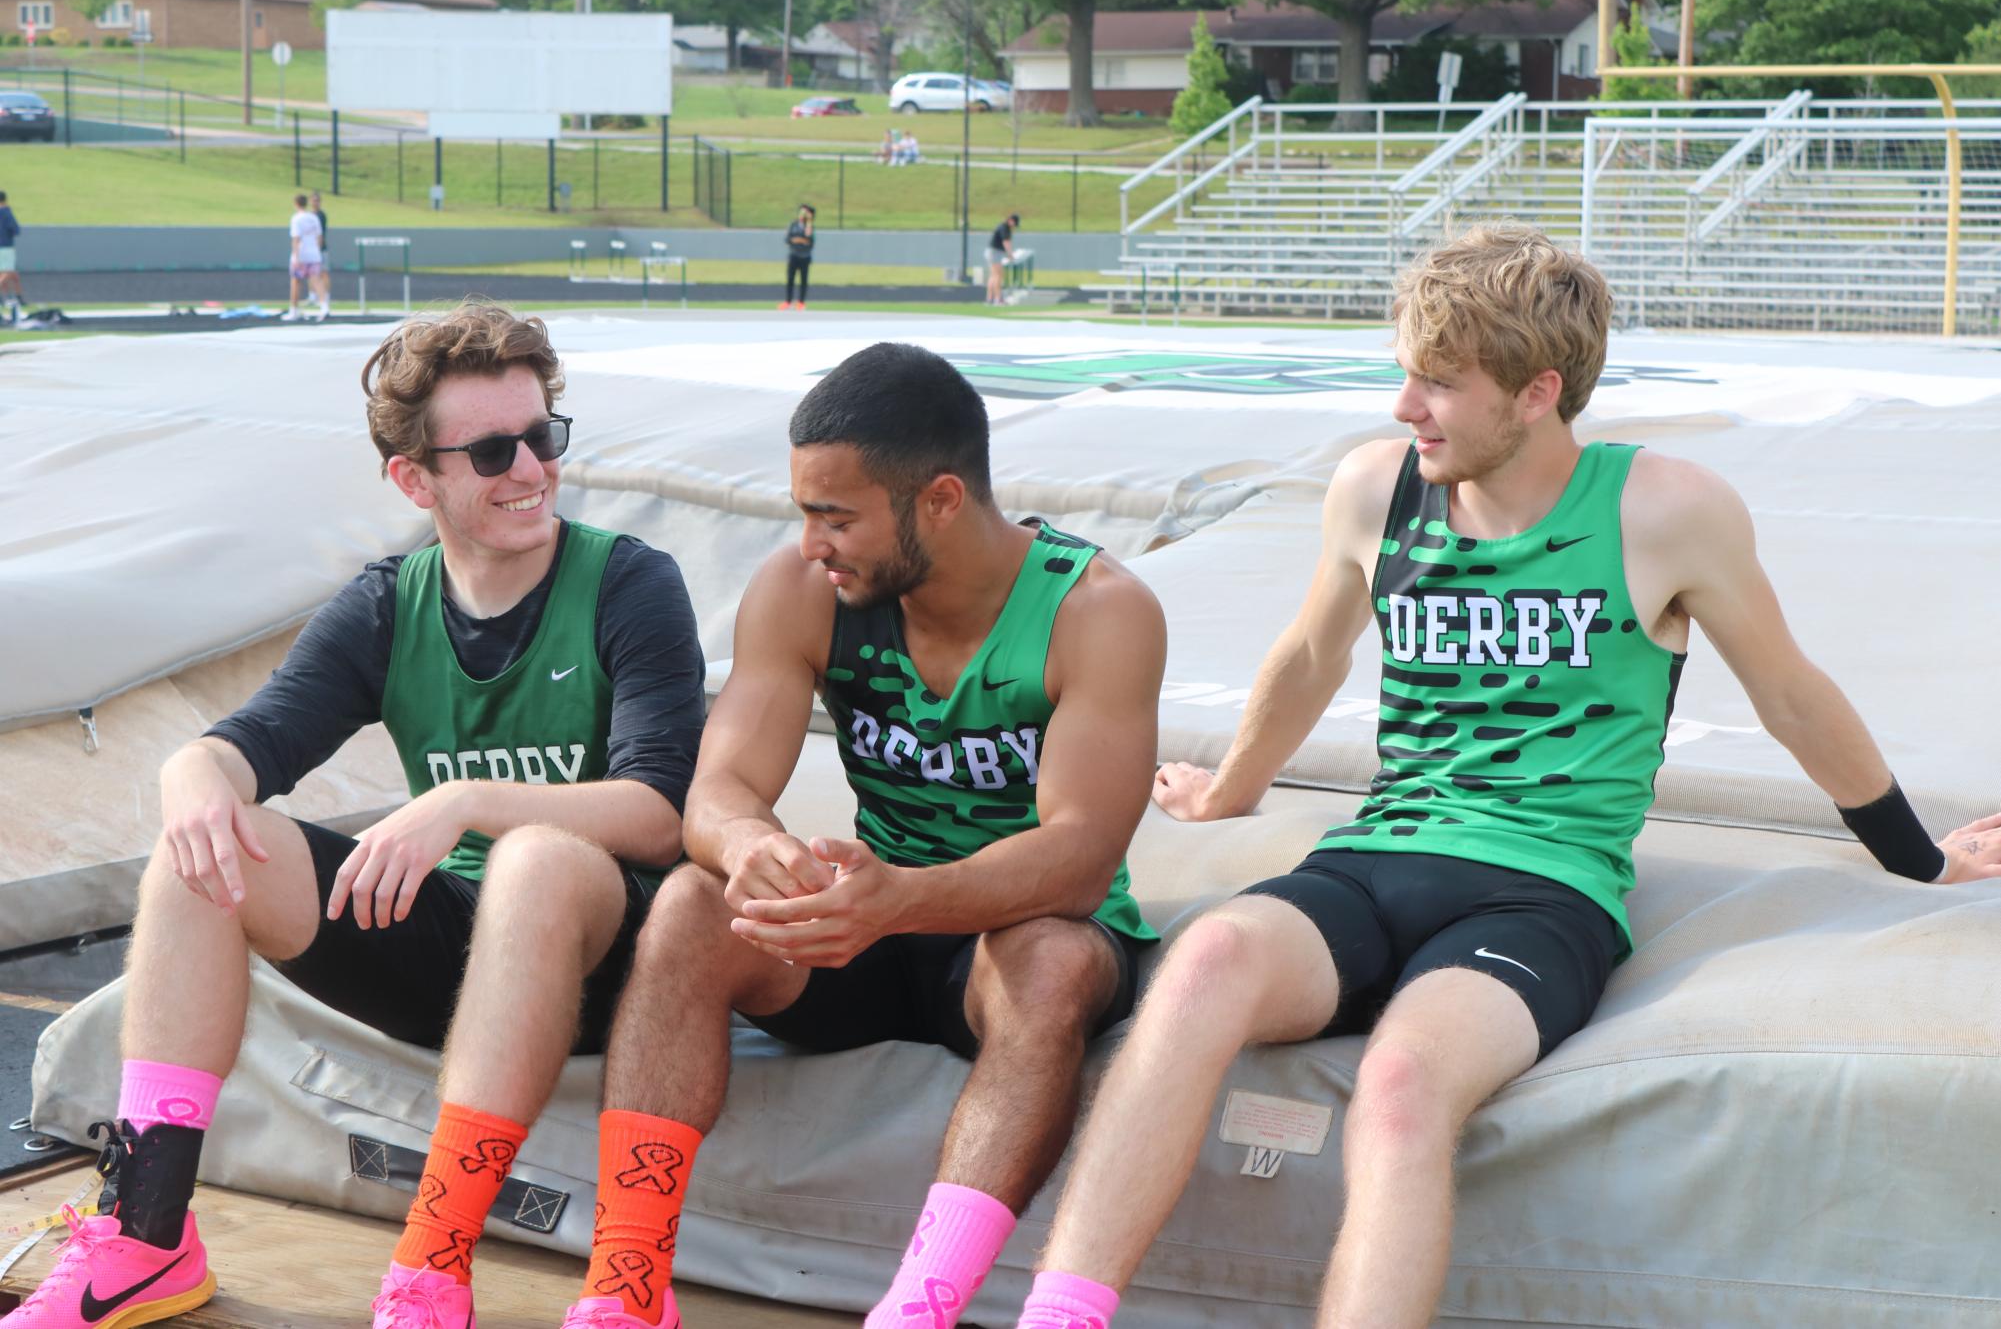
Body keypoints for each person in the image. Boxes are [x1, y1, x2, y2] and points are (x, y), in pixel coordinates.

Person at [1009, 223, 2001, 1329]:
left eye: (1438, 384)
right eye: (1405, 375)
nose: (1403, 407)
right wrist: (1233, 789)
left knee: (1400, 1087)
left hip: (1541, 893)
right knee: (1202, 965)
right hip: (1374, 859)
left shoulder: (1663, 508)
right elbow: (1309, 657)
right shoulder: (1377, 488)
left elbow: (1792, 695)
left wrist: (1921, 859)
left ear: (1536, 392)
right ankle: (1062, 1312)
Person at [0, 301, 709, 1329]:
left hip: (606, 958)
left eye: (543, 435)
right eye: (495, 449)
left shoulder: (629, 582)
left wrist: (460, 800)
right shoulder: (389, 600)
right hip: (454, 950)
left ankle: (433, 1263)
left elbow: (657, 814)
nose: (532, 468)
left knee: (539, 862)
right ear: (414, 479)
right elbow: (245, 742)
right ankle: (147, 1233)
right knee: (203, 851)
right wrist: (193, 782)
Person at [559, 342, 1167, 1329]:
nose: (811, 543)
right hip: (873, 924)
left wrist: (901, 897)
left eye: (835, 516)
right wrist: (752, 843)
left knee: (1049, 962)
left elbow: (1081, 853)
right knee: (689, 899)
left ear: (937, 499)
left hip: (1016, 927)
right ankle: (625, 1288)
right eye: (805, 511)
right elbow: (716, 788)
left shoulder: (1096, 610)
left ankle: (918, 1308)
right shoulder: (802, 589)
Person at [283, 193, 326, 323]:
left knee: (296, 282)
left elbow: (296, 239)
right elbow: (320, 237)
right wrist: (317, 251)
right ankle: (325, 307)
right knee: (317, 281)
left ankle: (294, 310)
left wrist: (296, 257)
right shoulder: (313, 217)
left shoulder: (296, 219)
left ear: (296, 204)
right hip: (314, 254)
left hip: (301, 255)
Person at [781, 202, 815, 311]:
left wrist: (798, 239)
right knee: (790, 279)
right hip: (793, 255)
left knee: (803, 280)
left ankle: (801, 302)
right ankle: (788, 301)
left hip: (805, 257)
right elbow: (788, 239)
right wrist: (799, 240)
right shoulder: (793, 225)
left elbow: (809, 241)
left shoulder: (809, 226)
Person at [986, 213, 1018, 307]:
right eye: (1014, 224)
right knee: (998, 275)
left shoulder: (1002, 226)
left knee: (993, 276)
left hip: (992, 252)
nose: (1014, 226)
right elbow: (1006, 242)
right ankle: (998, 299)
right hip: (995, 252)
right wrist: (1010, 254)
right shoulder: (1005, 228)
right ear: (1010, 220)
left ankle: (990, 298)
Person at [309, 189, 332, 319]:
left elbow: (321, 234)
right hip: (311, 249)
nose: (315, 202)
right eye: (313, 200)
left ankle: (326, 296)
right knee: (312, 274)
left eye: (317, 200)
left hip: (320, 249)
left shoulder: (321, 215)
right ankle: (313, 295)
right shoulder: (310, 215)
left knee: (324, 273)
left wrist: (318, 248)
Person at [0, 191, 21, 325]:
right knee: (8, 272)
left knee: (6, 273)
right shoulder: (6, 212)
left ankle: (9, 298)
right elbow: (16, 229)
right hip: (5, 246)